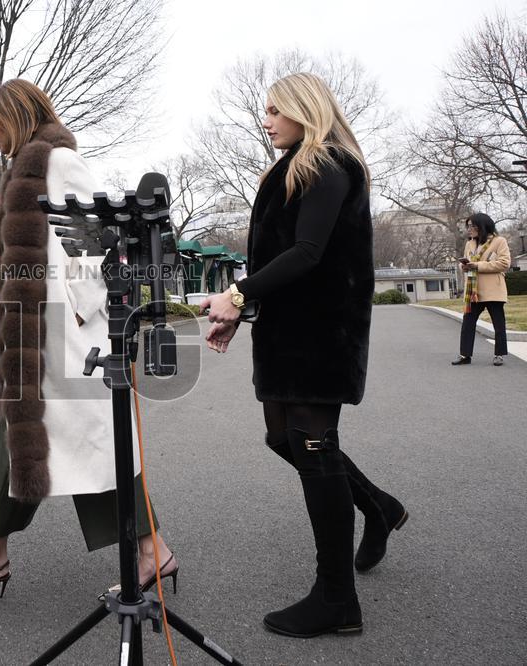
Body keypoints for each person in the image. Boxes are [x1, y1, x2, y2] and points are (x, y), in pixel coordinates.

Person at [0, 79, 175, 598]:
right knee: (40, 436)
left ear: (18, 114)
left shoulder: (58, 161)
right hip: (35, 332)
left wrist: (82, 315)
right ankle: (0, 553)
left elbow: (95, 244)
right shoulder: (23, 165)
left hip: (66, 334)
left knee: (89, 440)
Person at [200, 72, 406, 638]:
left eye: (274, 110)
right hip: (286, 331)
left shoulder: (329, 165)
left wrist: (235, 294)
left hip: (321, 333)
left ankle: (337, 599)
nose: (265, 119)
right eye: (264, 110)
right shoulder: (290, 167)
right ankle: (379, 507)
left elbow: (308, 253)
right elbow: (277, 256)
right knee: (283, 438)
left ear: (304, 109)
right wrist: (243, 311)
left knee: (314, 448)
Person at [451, 213, 511, 366]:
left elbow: (504, 263)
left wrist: (478, 266)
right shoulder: (469, 244)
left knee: (498, 324)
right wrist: (464, 266)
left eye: (472, 226)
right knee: (467, 323)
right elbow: (466, 262)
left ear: (482, 226)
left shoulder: (499, 241)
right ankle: (465, 355)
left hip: (493, 290)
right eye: (468, 226)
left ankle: (499, 355)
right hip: (473, 291)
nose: (469, 229)